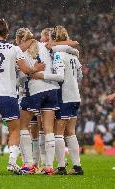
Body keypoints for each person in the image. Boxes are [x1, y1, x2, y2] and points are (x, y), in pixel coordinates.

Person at [0, 19, 45, 175]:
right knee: (14, 130)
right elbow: (25, 70)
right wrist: (35, 68)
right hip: (8, 94)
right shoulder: (14, 49)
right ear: (7, 34)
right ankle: (12, 163)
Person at [34, 25, 84, 175]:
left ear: (54, 39)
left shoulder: (58, 55)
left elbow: (60, 77)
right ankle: (77, 166)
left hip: (64, 96)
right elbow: (80, 76)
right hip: (75, 95)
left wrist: (42, 75)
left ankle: (61, 167)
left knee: (59, 132)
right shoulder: (74, 56)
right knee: (71, 132)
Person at [16, 27, 60, 175]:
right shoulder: (45, 46)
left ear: (19, 40)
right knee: (48, 129)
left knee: (22, 126)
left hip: (34, 91)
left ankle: (29, 165)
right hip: (52, 90)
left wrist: (32, 72)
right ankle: (48, 167)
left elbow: (22, 76)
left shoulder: (20, 52)